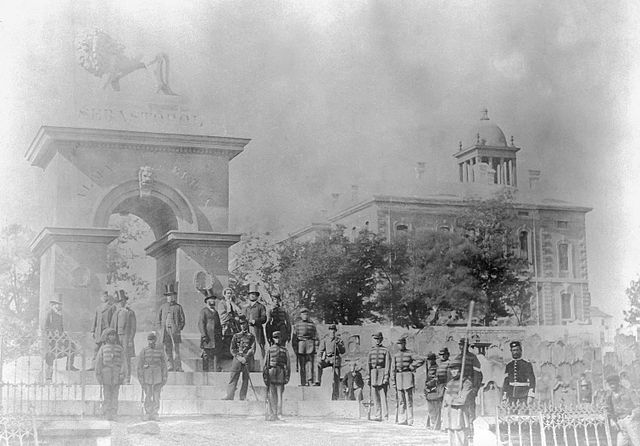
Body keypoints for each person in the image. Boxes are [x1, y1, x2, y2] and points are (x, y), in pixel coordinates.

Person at [595, 375, 640, 446]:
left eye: (613, 384)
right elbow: (608, 409)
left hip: (630, 421)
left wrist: (633, 416)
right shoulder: (609, 395)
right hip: (620, 423)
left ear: (618, 383)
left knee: (637, 442)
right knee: (620, 444)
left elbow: (638, 405)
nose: (612, 386)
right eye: (610, 384)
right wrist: (612, 420)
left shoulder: (628, 392)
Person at [43, 294, 78, 380]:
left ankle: (69, 366)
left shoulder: (60, 314)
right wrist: (52, 334)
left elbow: (63, 327)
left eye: (60, 304)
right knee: (50, 356)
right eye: (57, 304)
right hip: (52, 339)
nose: (59, 306)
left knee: (72, 347)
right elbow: (45, 327)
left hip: (61, 338)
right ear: (54, 305)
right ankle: (48, 376)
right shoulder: (49, 314)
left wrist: (64, 335)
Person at [95, 327, 127, 420]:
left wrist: (122, 374)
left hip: (116, 375)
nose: (112, 337)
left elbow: (124, 362)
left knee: (115, 395)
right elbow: (99, 363)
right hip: (106, 375)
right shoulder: (103, 349)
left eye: (114, 335)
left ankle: (114, 413)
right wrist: (99, 375)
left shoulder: (120, 349)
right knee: (107, 395)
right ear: (107, 337)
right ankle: (107, 413)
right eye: (110, 335)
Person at [453, 338, 482, 436]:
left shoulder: (473, 358)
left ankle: (472, 429)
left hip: (470, 386)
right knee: (461, 407)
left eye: (464, 345)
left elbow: (478, 374)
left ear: (467, 346)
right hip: (459, 387)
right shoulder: (457, 358)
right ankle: (464, 429)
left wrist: (476, 388)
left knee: (470, 408)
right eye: (460, 345)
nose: (462, 347)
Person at [391, 337, 423, 426]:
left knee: (409, 400)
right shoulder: (396, 355)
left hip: (407, 376)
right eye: (399, 344)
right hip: (398, 377)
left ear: (405, 344)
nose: (400, 345)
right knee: (401, 400)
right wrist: (393, 381)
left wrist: (412, 366)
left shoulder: (410, 353)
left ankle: (410, 420)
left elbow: (421, 360)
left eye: (402, 343)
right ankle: (402, 419)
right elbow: (393, 369)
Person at [441, 358, 474, 446]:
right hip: (449, 414)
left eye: (456, 369)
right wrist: (443, 416)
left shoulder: (466, 383)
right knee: (451, 439)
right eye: (452, 369)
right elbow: (445, 400)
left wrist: (450, 400)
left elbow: (462, 400)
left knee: (460, 438)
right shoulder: (449, 383)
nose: (453, 372)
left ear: (461, 370)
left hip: (460, 414)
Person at [222, 316, 256, 401]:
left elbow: (252, 348)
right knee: (233, 377)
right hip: (237, 359)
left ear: (247, 324)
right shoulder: (236, 336)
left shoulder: (251, 336)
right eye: (240, 324)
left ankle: (242, 396)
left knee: (245, 379)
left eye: (244, 323)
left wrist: (246, 357)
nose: (242, 326)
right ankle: (230, 395)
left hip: (246, 359)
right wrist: (238, 357)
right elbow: (232, 349)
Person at [137, 332, 167, 421]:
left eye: (152, 340)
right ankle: (148, 413)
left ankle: (155, 413)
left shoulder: (160, 352)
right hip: (147, 376)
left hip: (158, 376)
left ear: (155, 340)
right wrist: (141, 378)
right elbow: (140, 366)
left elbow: (164, 365)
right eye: (149, 340)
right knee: (148, 395)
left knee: (157, 396)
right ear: (147, 341)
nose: (151, 342)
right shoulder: (144, 351)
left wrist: (164, 376)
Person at [157, 284, 185, 372]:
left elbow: (182, 320)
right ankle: (170, 365)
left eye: (171, 295)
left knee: (176, 349)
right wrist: (160, 329)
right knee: (167, 348)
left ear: (174, 296)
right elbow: (158, 320)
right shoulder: (163, 307)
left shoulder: (178, 307)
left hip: (175, 331)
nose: (170, 297)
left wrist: (178, 328)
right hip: (165, 331)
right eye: (168, 296)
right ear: (166, 297)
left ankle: (178, 366)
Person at [263, 331, 290, 421]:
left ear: (281, 338)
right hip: (271, 371)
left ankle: (279, 413)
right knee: (271, 394)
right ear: (273, 339)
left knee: (279, 395)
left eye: (278, 337)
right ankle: (272, 413)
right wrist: (265, 376)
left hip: (281, 372)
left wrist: (287, 377)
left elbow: (288, 364)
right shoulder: (270, 350)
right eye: (275, 338)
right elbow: (266, 364)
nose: (277, 339)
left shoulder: (284, 350)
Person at [111, 290, 136, 384]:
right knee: (117, 357)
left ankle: (127, 378)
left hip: (126, 338)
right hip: (117, 338)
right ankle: (118, 378)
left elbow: (133, 328)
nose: (121, 303)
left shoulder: (130, 313)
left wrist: (130, 339)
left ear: (125, 301)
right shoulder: (116, 313)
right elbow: (112, 328)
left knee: (126, 357)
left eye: (122, 301)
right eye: (119, 302)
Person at [316, 324, 346, 400]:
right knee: (320, 368)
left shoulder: (339, 340)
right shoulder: (325, 340)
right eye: (331, 330)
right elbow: (320, 350)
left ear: (335, 331)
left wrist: (338, 345)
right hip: (327, 359)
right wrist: (319, 357)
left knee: (336, 379)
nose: (332, 331)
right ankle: (318, 382)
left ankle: (336, 396)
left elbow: (343, 351)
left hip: (335, 359)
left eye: (333, 330)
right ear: (329, 331)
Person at [366, 331, 391, 422]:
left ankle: (385, 415)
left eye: (378, 339)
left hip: (382, 372)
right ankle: (377, 415)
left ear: (381, 339)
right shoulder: (371, 351)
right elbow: (367, 364)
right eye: (375, 339)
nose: (377, 341)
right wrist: (368, 376)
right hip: (373, 373)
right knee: (375, 396)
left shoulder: (385, 350)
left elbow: (388, 364)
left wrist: (386, 376)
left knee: (383, 396)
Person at [501, 340, 535, 406]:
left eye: (517, 350)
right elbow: (506, 381)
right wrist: (504, 394)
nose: (515, 352)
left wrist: (531, 395)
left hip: (523, 394)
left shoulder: (527, 364)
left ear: (521, 351)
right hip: (511, 394)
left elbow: (532, 380)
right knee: (512, 413)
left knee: (524, 414)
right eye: (513, 350)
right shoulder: (509, 365)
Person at [291, 308, 318, 386]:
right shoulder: (297, 325)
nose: (305, 316)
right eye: (303, 314)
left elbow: (316, 336)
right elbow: (294, 338)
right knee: (302, 365)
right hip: (301, 345)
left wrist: (315, 347)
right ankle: (303, 381)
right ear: (300, 315)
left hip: (310, 345)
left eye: (306, 314)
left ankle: (310, 381)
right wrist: (295, 348)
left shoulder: (312, 325)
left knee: (310, 365)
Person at [198, 289, 223, 372]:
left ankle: (215, 371)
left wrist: (220, 335)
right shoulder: (204, 311)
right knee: (206, 354)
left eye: (213, 299)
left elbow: (219, 325)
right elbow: (201, 324)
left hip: (216, 337)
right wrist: (204, 335)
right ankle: (205, 372)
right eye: (210, 299)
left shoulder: (216, 312)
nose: (212, 301)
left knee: (215, 354)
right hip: (208, 337)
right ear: (207, 301)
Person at [90, 291, 116, 369]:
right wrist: (92, 330)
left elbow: (113, 320)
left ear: (107, 297)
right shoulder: (98, 308)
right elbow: (95, 319)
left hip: (106, 331)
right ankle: (93, 366)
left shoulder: (112, 307)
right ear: (100, 298)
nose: (104, 298)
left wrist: (111, 331)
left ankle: (105, 366)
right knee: (96, 349)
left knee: (106, 349)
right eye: (102, 297)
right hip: (98, 331)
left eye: (105, 296)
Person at [243, 284, 267, 358]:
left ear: (257, 296)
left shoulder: (260, 306)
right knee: (248, 347)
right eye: (251, 294)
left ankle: (261, 365)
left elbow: (264, 318)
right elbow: (244, 319)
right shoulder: (247, 308)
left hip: (257, 330)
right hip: (248, 330)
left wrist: (255, 321)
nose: (252, 296)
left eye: (254, 294)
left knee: (259, 347)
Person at [424, 352, 444, 430]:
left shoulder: (437, 368)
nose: (430, 361)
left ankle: (436, 425)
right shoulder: (430, 367)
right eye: (429, 360)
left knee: (436, 408)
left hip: (435, 389)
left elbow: (436, 378)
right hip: (429, 390)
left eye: (431, 359)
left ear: (434, 360)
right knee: (431, 408)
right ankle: (433, 423)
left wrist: (429, 384)